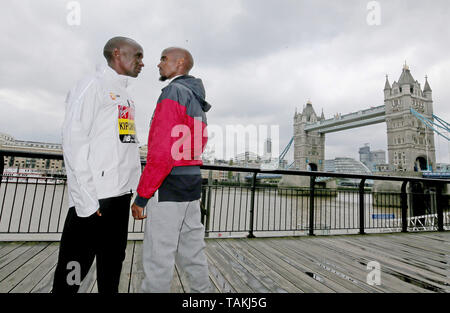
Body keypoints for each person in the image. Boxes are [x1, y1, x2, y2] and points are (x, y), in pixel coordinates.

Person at [52, 36, 144, 293]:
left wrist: (135, 192)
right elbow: (73, 141)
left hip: (119, 200)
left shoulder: (125, 95)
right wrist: (88, 204)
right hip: (94, 202)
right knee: (71, 275)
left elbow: (126, 144)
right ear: (117, 54)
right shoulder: (92, 85)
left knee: (111, 270)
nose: (142, 63)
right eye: (138, 55)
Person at [131, 47, 211, 293]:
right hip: (191, 184)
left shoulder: (173, 92)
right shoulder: (195, 97)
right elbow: (200, 142)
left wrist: (142, 196)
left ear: (180, 63)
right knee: (193, 250)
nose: (158, 64)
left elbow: (162, 151)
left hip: (168, 186)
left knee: (158, 256)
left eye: (164, 59)